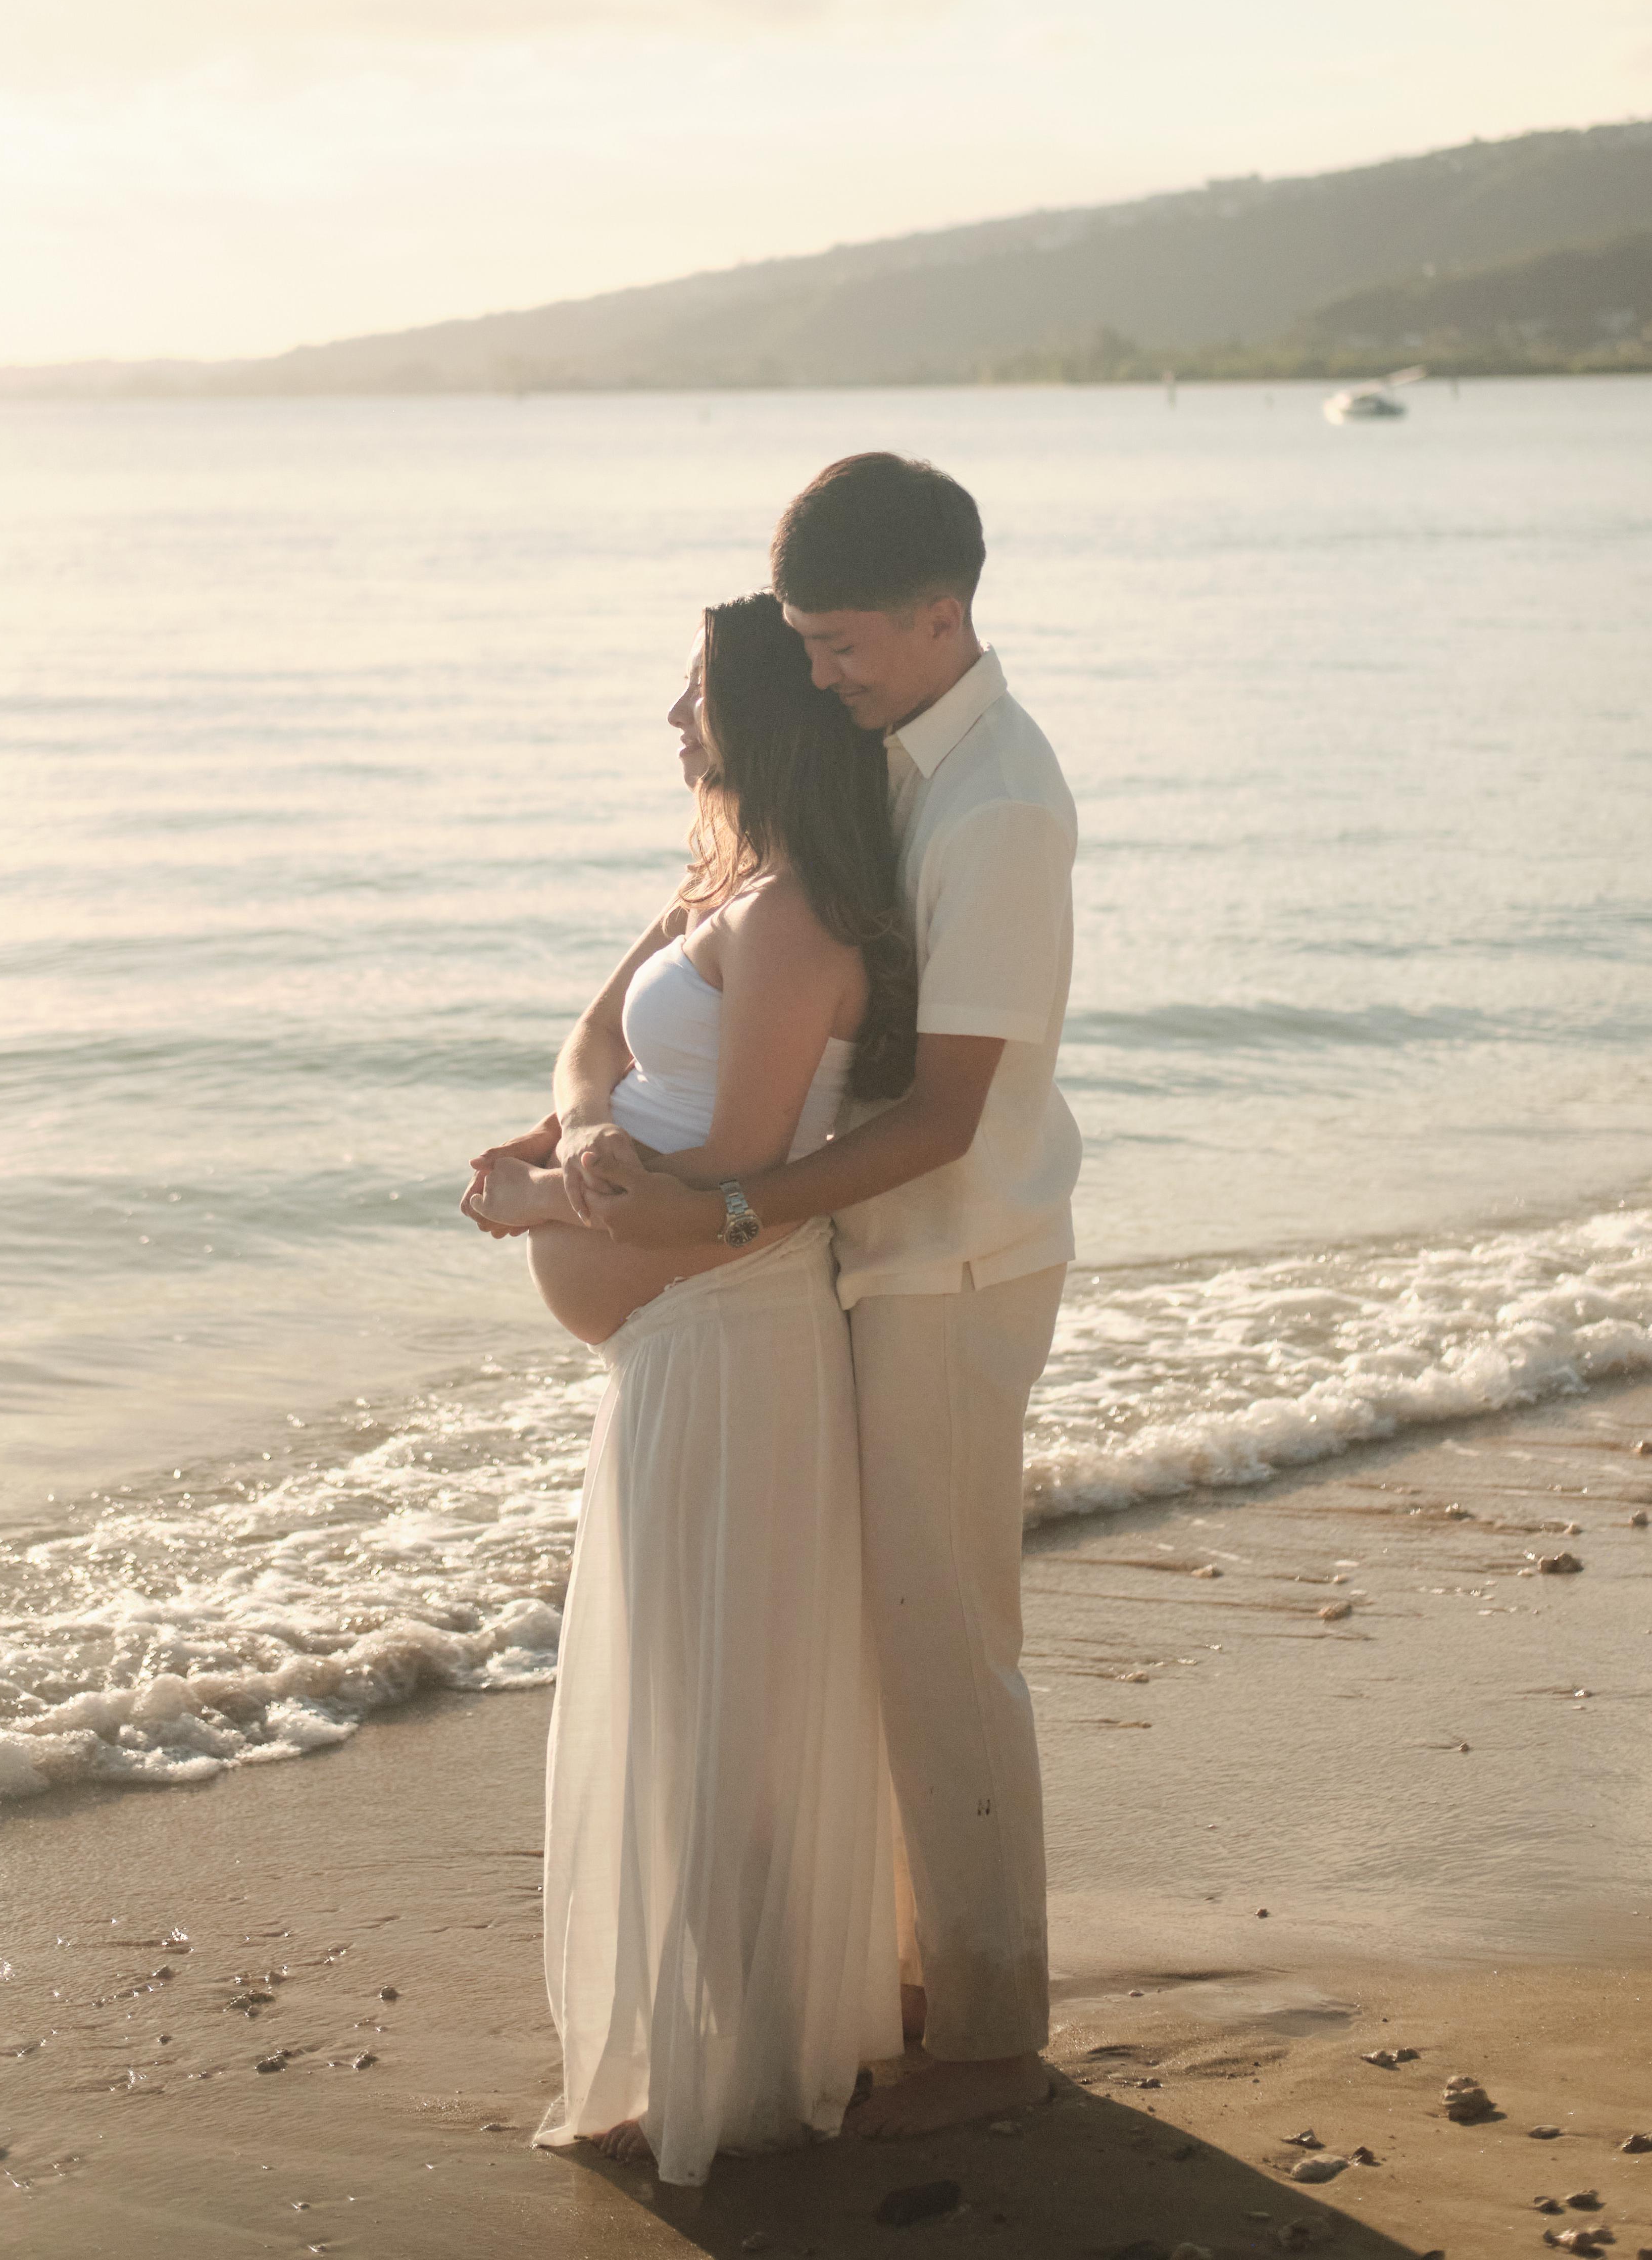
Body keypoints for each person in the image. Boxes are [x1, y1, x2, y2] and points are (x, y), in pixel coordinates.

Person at [578, 454, 1080, 2139]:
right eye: (803, 642)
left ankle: (992, 2011)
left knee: (943, 1638)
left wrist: (720, 1207)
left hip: (948, 1259)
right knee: (853, 1632)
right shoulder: (879, 764)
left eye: (846, 643)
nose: (823, 674)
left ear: (943, 613)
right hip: (857, 1257)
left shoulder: (995, 800)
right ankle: (872, 1971)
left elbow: (944, 1113)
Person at [462, 593, 906, 2185]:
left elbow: (736, 1180)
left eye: (696, 694)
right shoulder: (725, 882)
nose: (672, 719)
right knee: (679, 1688)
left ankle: (736, 2068)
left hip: (732, 1340)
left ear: (764, 714)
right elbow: (590, 1040)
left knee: (717, 1710)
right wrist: (575, 1136)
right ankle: (699, 2038)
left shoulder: (796, 923)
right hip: (668, 1348)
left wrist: (540, 1203)